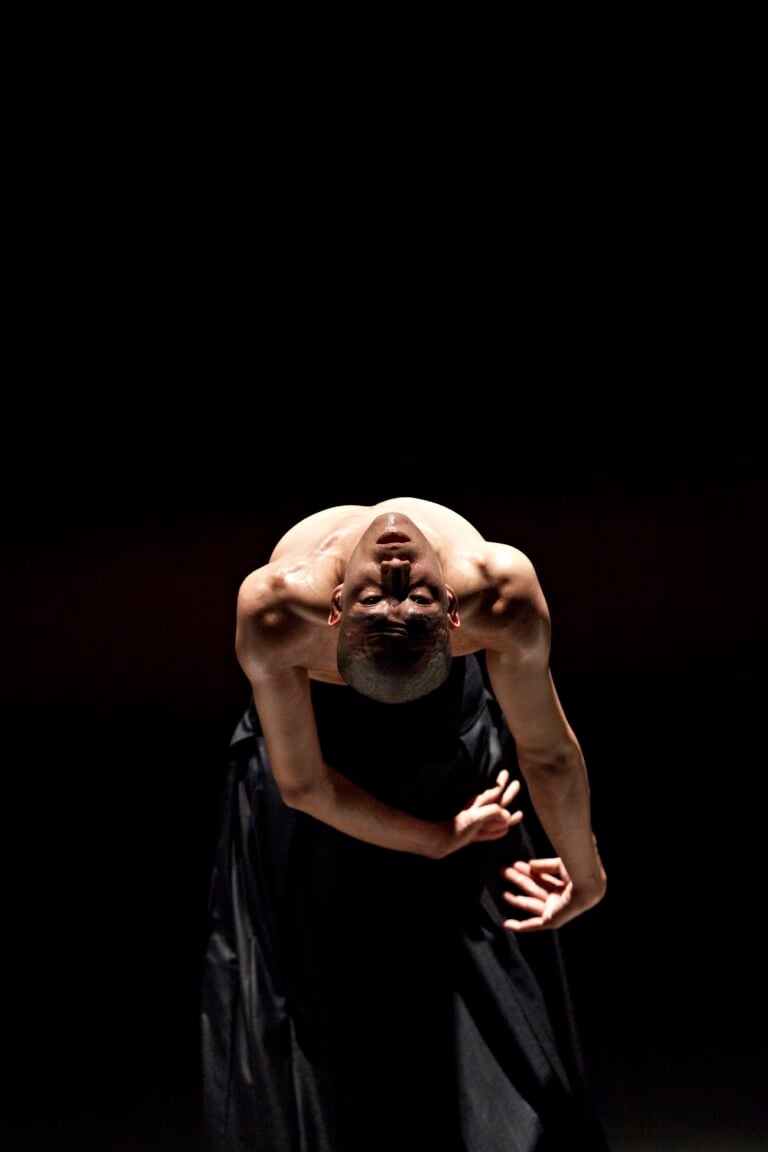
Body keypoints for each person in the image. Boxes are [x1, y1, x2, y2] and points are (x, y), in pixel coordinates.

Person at [201, 496, 610, 1152]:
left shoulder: (499, 591)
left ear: (455, 610)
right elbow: (303, 784)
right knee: (332, 1054)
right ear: (332, 613)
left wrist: (586, 872)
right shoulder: (278, 609)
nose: (394, 582)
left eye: (417, 602)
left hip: (448, 763)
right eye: (378, 604)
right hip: (316, 775)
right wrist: (434, 837)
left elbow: (549, 753)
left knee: (495, 1066)